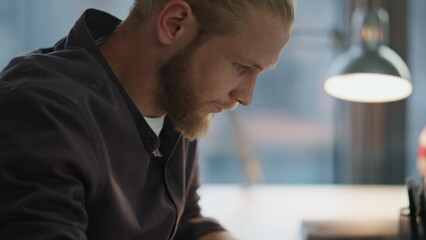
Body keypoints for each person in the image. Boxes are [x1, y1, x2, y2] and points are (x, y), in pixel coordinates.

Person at [0, 0, 294, 239]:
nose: (245, 97)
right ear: (174, 24)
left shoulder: (177, 97)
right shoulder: (44, 113)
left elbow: (184, 222)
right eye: (241, 66)